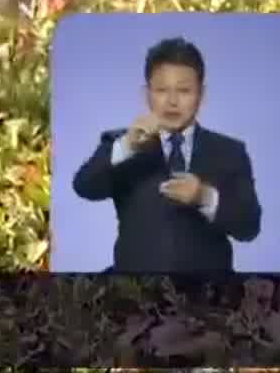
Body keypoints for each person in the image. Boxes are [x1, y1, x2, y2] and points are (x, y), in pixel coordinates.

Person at [70, 36, 262, 273]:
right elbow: (84, 186)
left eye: (184, 90)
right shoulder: (121, 143)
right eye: (161, 90)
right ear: (146, 93)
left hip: (208, 299)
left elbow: (249, 226)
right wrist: (127, 146)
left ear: (201, 94)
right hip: (132, 295)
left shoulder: (229, 151)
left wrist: (204, 196)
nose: (172, 102)